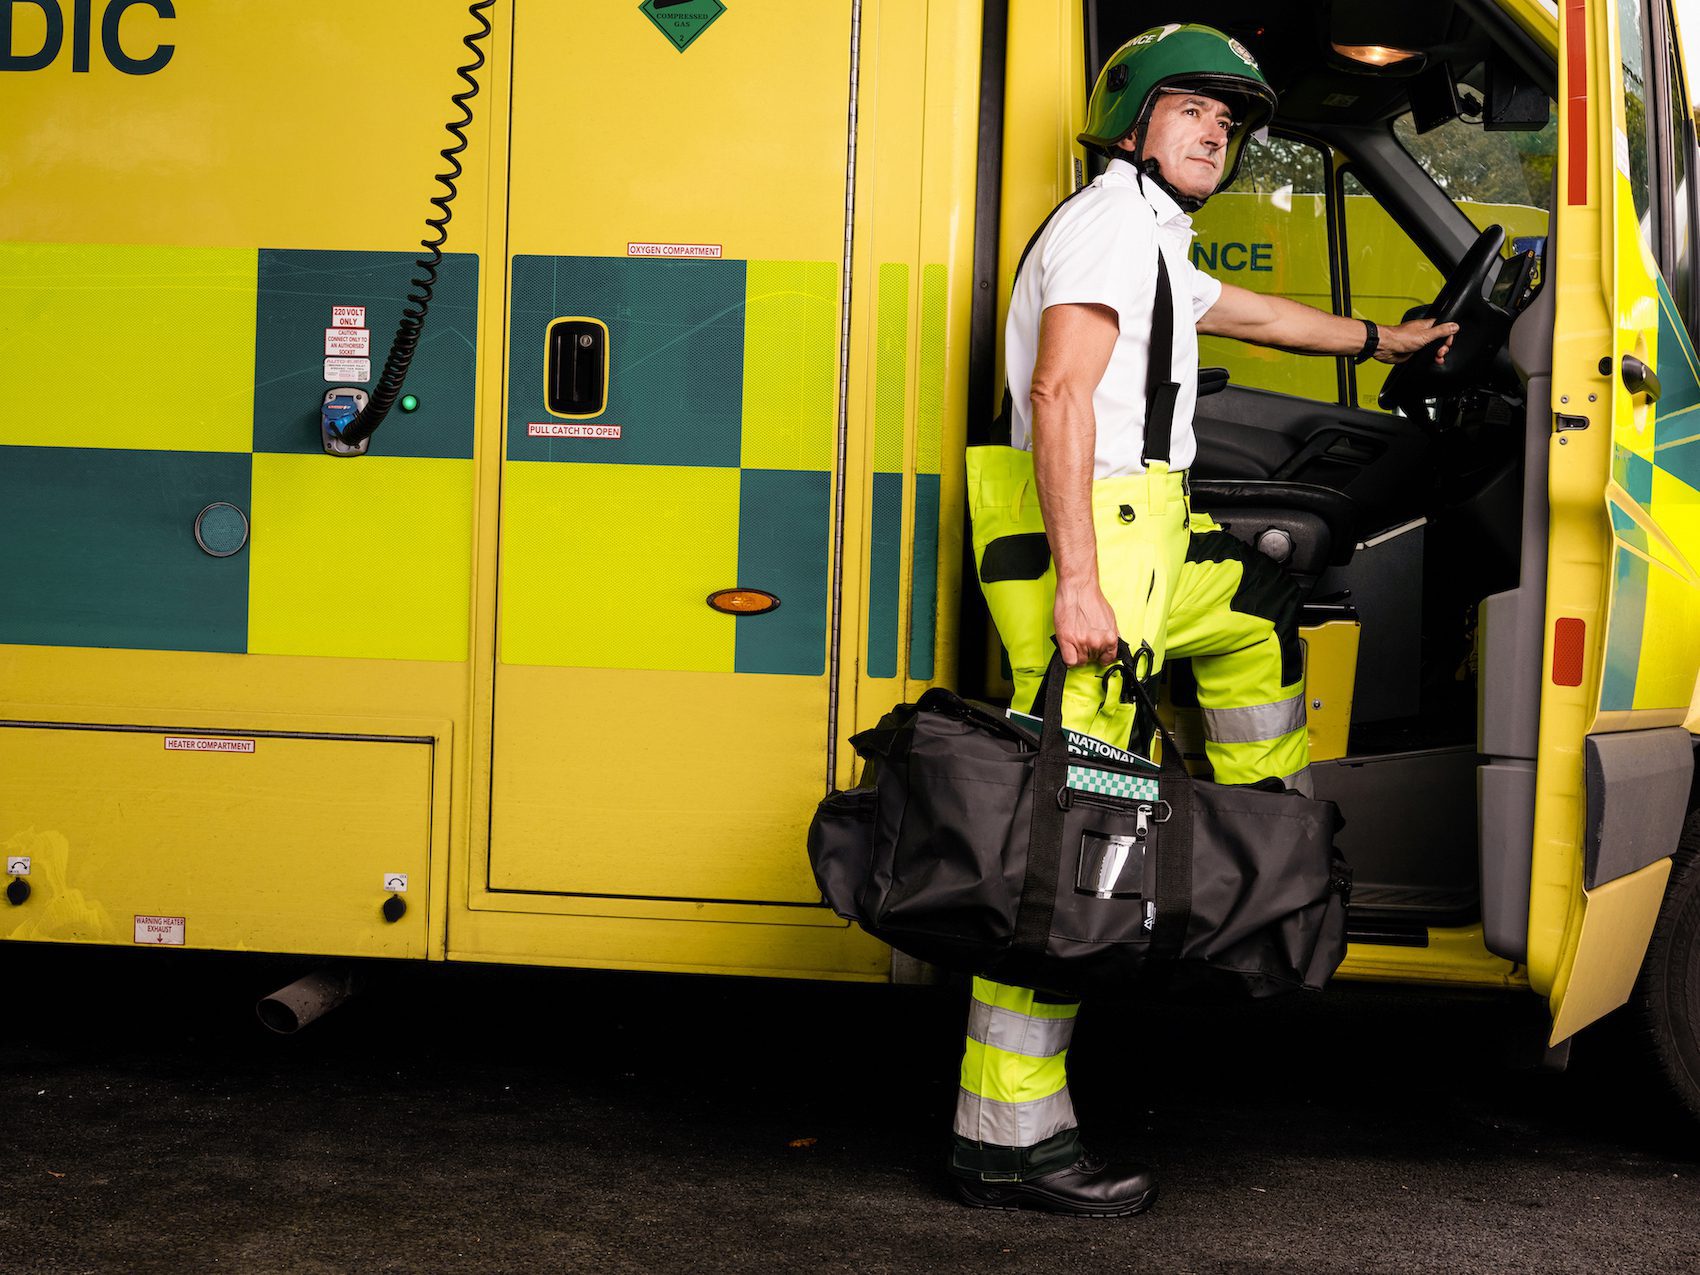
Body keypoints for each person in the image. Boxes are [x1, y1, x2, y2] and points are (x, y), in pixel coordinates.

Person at [951, 23, 1458, 1217]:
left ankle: (1258, 867)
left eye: (1227, 124)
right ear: (1131, 120)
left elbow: (1259, 317)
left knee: (1251, 622)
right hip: (1093, 540)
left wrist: (1390, 340)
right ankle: (1004, 1134)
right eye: (1192, 111)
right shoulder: (1104, 225)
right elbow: (1059, 394)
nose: (1215, 135)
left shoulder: (1152, 236)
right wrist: (1079, 584)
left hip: (1148, 537)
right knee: (1070, 841)